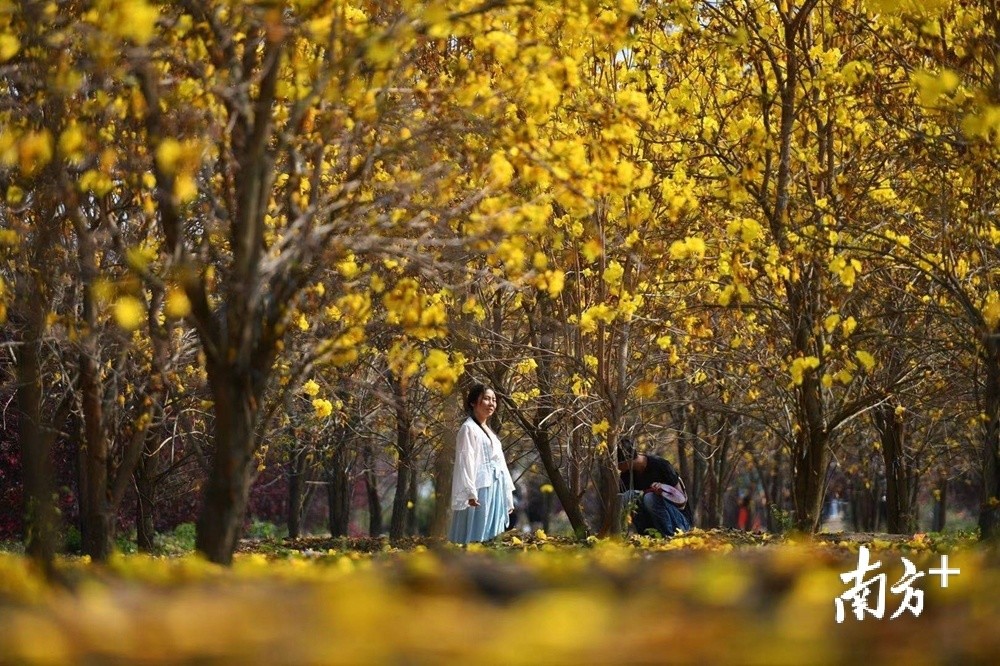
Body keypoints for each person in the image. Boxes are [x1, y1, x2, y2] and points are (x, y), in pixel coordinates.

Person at [448, 384, 515, 544]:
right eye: (486, 399)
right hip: (480, 488)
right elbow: (466, 461)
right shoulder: (468, 429)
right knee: (477, 531)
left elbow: (501, 464)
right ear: (473, 402)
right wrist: (470, 492)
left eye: (493, 400)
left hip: (496, 486)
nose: (491, 403)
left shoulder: (489, 431)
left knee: (493, 535)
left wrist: (507, 495)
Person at [617, 438, 692, 537]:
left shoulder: (660, 465)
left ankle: (669, 536)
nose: (616, 466)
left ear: (626, 461)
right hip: (652, 526)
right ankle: (647, 535)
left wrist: (664, 490)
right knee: (628, 496)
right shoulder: (626, 475)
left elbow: (682, 501)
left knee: (650, 497)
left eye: (616, 462)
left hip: (679, 522)